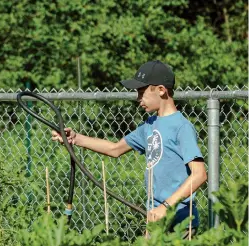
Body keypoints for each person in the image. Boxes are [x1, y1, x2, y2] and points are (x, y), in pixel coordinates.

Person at [52, 60, 207, 235]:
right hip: (154, 219)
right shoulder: (150, 125)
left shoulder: (181, 127)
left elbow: (199, 174)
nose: (138, 99)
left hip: (180, 221)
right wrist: (75, 138)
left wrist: (165, 207)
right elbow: (114, 149)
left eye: (142, 93)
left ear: (161, 90)